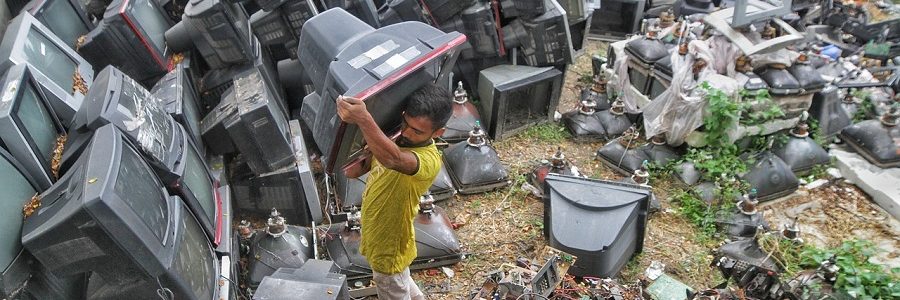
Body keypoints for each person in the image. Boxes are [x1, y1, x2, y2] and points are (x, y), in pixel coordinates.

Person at [337, 82, 453, 300]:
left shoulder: (429, 160)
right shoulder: (394, 139)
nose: (407, 132)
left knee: (392, 284)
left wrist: (364, 119)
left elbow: (393, 159)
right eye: (405, 123)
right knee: (402, 282)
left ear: (438, 132)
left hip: (389, 243)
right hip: (378, 235)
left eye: (417, 131)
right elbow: (352, 171)